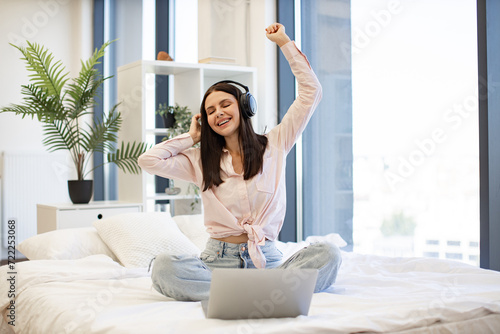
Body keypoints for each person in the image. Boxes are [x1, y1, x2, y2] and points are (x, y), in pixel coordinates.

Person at [138, 23, 342, 301]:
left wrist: (284, 42)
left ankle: (238, 294)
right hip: (216, 263)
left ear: (245, 107)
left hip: (268, 261)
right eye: (210, 111)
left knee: (328, 253)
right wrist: (190, 137)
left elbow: (311, 92)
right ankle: (264, 295)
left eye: (225, 105)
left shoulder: (276, 143)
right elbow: (148, 161)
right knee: (164, 268)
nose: (218, 113)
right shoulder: (200, 161)